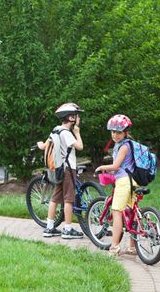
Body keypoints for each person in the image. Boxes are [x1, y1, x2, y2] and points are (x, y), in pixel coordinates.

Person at [40, 102, 84, 239]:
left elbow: (44, 146)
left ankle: (49, 228)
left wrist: (40, 145)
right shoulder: (67, 133)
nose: (78, 118)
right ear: (71, 118)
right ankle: (68, 229)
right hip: (68, 170)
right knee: (68, 199)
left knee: (55, 198)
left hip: (58, 169)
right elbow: (80, 146)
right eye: (76, 116)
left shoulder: (55, 130)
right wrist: (77, 133)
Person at [94, 114, 137, 256]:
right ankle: (132, 247)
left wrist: (102, 167)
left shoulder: (123, 146)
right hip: (132, 181)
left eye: (119, 132)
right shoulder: (128, 144)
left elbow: (116, 165)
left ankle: (114, 247)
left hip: (124, 182)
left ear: (125, 132)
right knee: (131, 212)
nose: (115, 135)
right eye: (113, 132)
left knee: (117, 211)